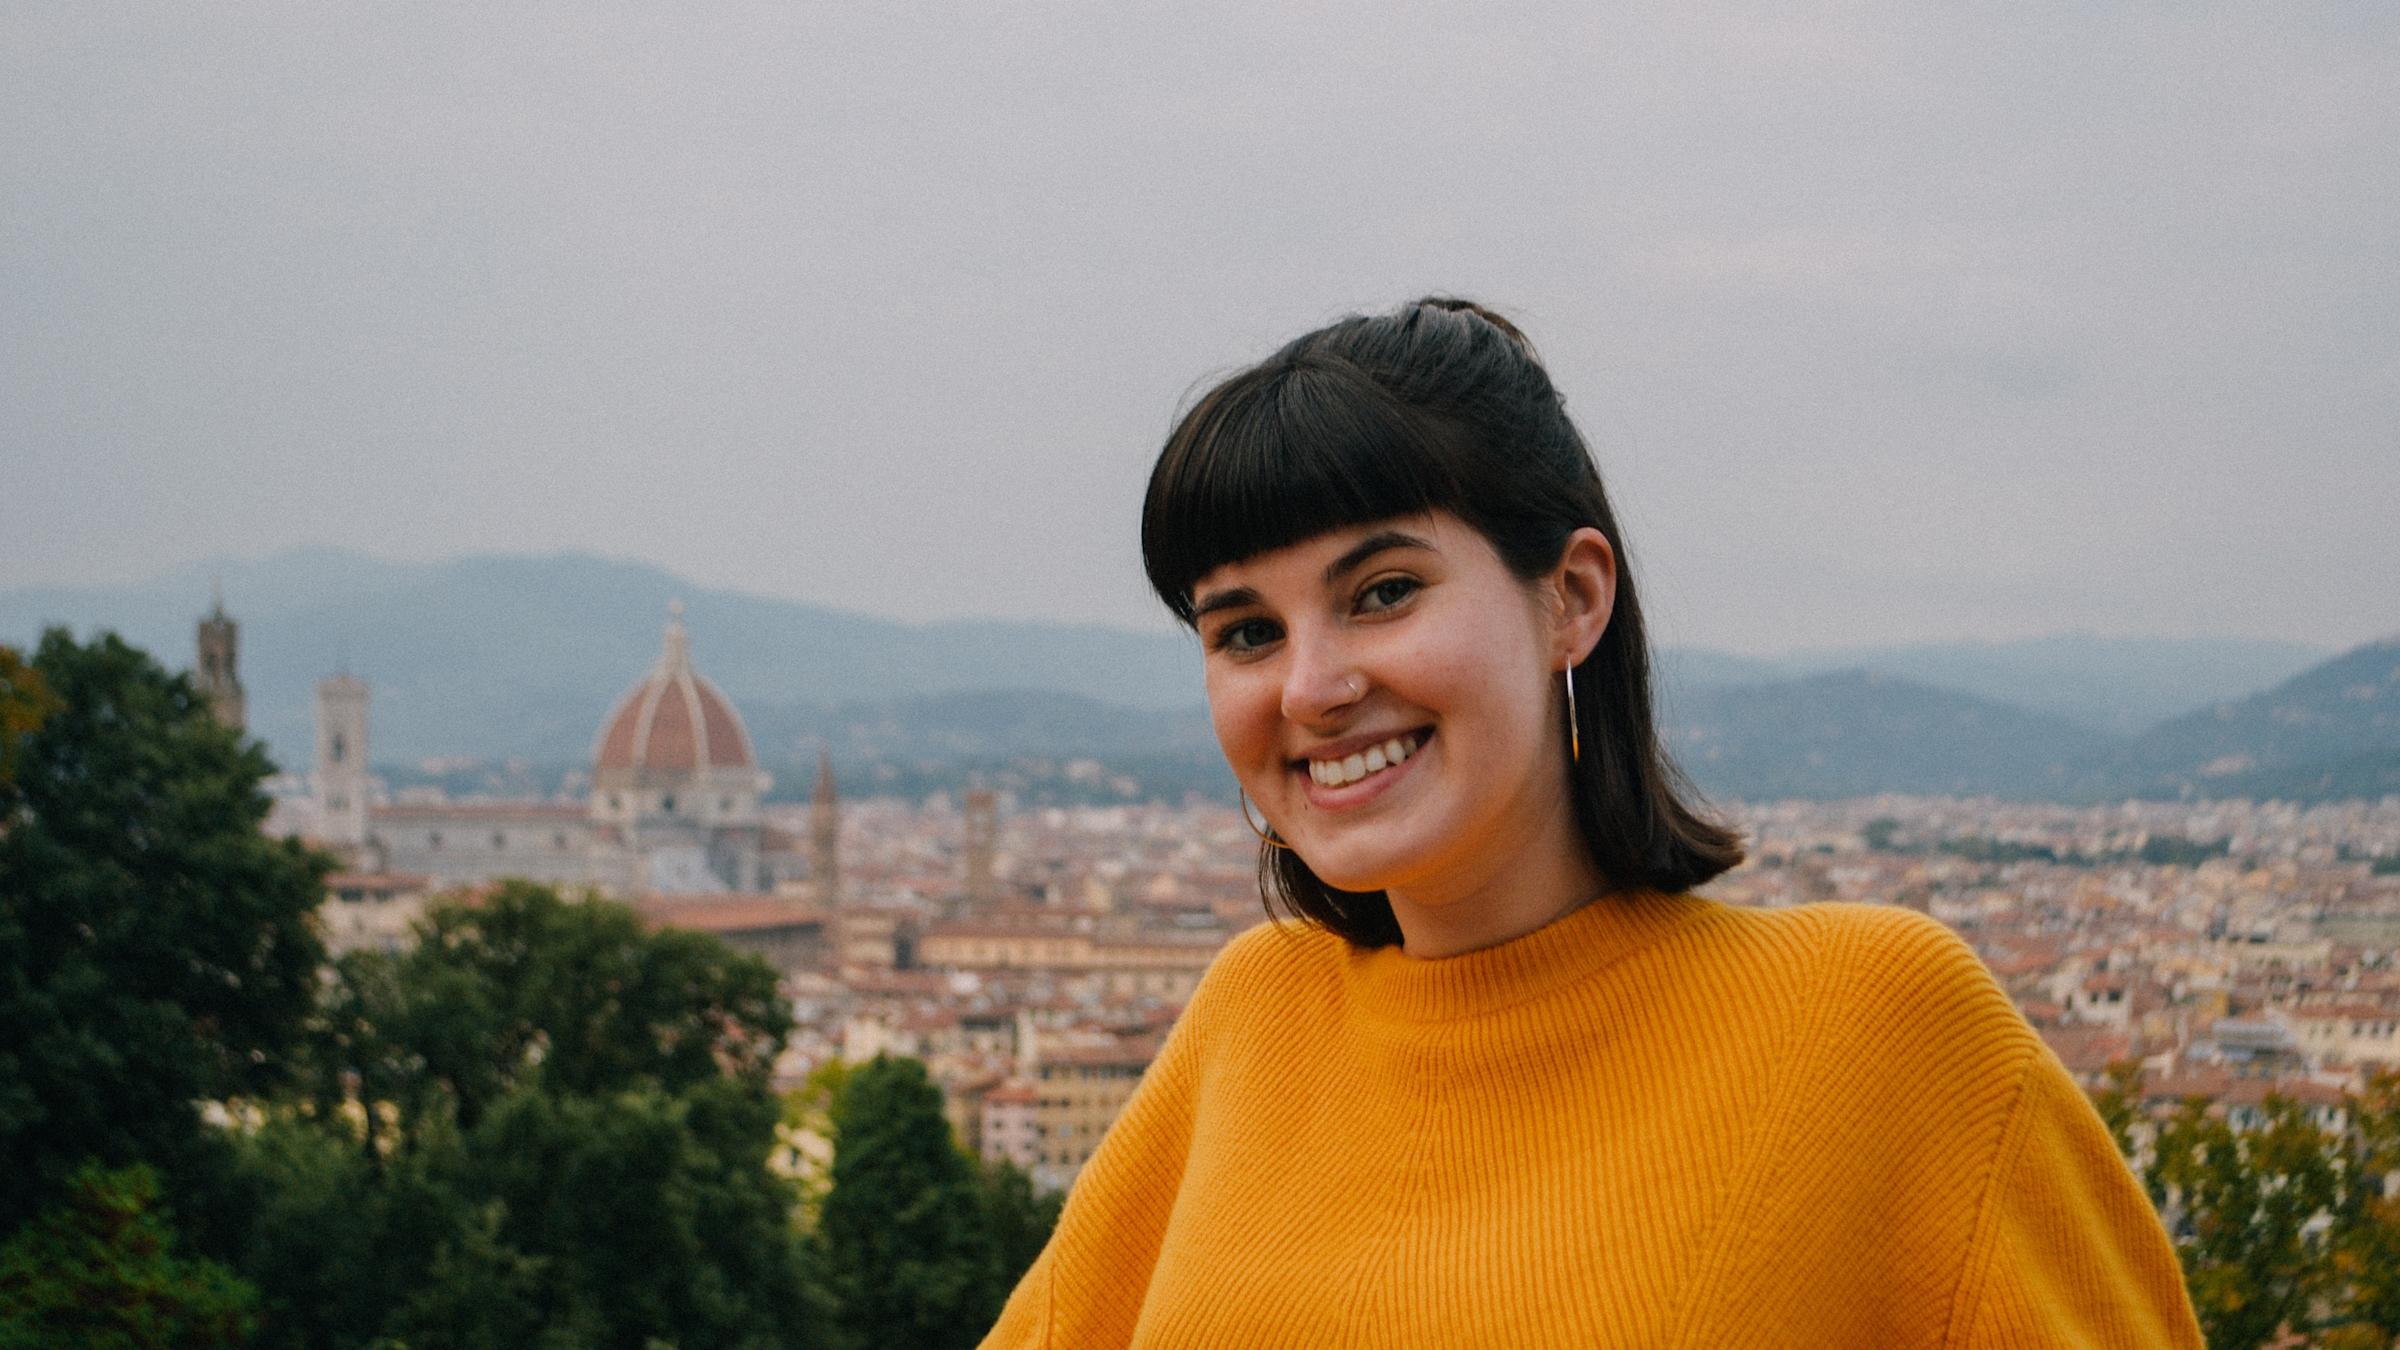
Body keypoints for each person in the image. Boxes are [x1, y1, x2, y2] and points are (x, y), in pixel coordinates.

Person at [978, 298, 2201, 1348]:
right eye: (1246, 631)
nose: (1311, 687)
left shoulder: (1881, 1025)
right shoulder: (1255, 1016)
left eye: (1384, 592)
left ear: (1571, 598)